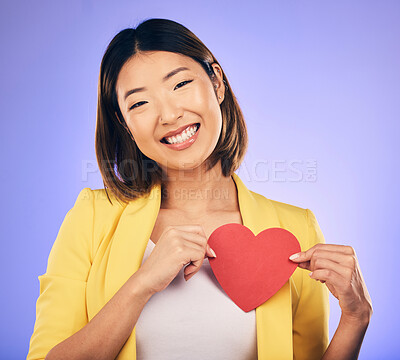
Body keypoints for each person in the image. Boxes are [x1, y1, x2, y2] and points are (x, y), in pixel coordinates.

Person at [27, 18, 373, 360]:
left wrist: (356, 319)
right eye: (139, 103)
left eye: (179, 85)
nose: (169, 114)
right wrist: (142, 283)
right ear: (124, 123)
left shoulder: (294, 229)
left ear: (217, 82)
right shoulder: (91, 217)